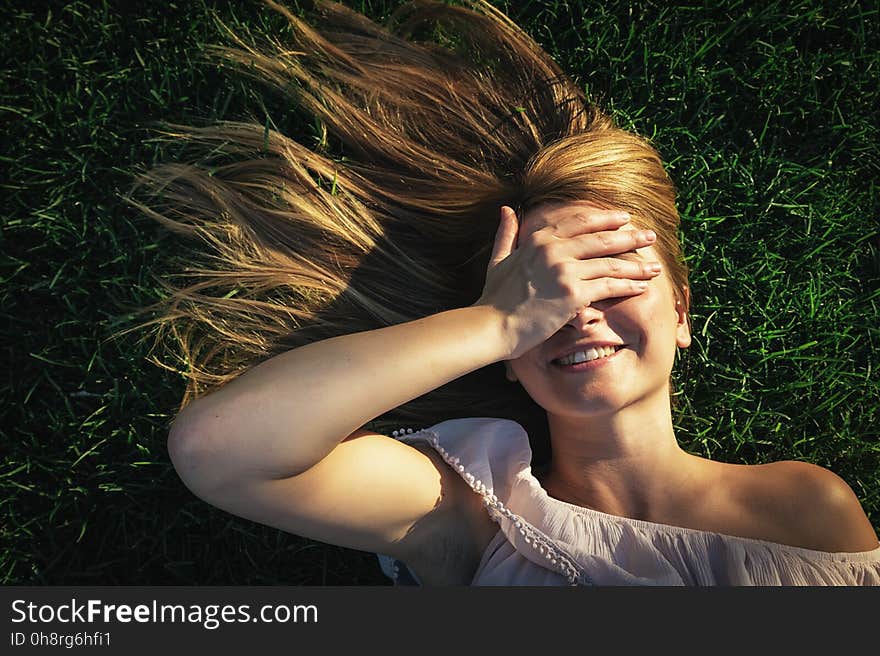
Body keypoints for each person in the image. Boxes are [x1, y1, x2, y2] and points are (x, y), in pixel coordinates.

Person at [134, 0, 880, 585]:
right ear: (509, 354)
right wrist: (493, 321)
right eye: (544, 288)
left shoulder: (806, 505)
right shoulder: (470, 510)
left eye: (609, 268)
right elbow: (218, 451)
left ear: (681, 310)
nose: (578, 310)